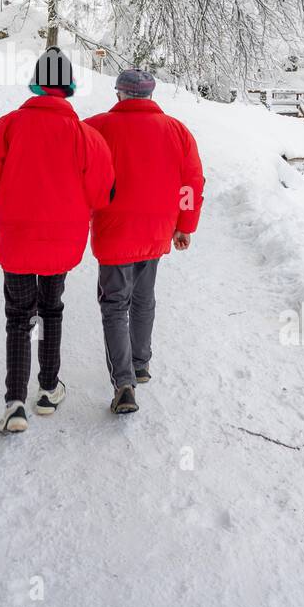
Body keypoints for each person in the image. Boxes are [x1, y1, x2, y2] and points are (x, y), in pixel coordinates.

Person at [0, 47, 115, 434]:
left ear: (36, 83)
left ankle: (15, 402)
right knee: (51, 309)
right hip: (61, 241)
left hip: (14, 238)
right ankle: (48, 389)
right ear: (68, 86)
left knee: (18, 317)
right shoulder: (87, 137)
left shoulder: (6, 127)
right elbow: (103, 192)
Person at [84, 68, 204, 414]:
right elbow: (190, 184)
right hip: (156, 229)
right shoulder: (177, 131)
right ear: (151, 96)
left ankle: (124, 384)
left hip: (114, 229)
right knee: (143, 296)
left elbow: (80, 172)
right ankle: (140, 363)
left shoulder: (96, 127)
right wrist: (184, 225)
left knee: (114, 305)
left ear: (119, 94)